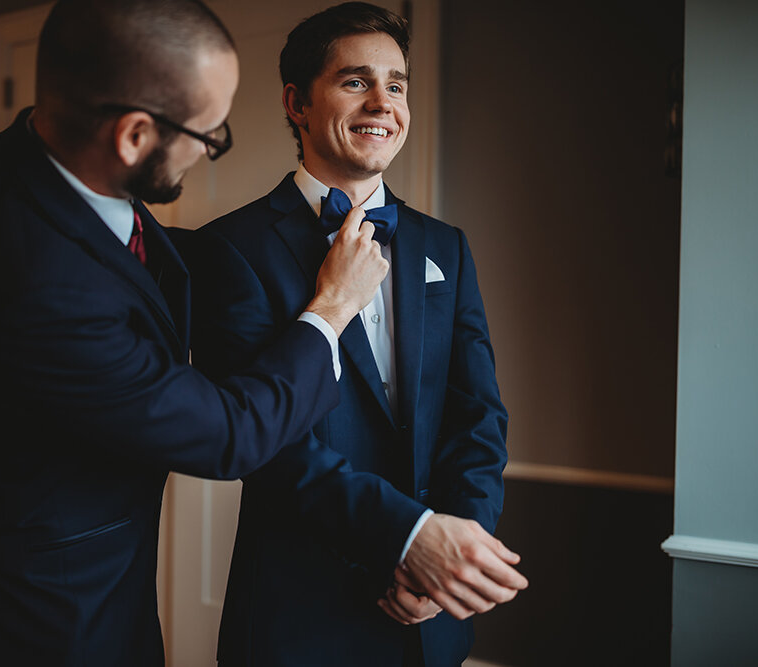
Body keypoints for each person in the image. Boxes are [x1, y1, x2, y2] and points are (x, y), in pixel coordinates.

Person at [0, 0, 390, 664]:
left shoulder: (36, 155)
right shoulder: (40, 286)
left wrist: (266, 246)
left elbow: (132, 255)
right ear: (134, 135)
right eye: (209, 134)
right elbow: (230, 435)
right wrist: (332, 307)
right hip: (51, 619)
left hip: (86, 573)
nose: (211, 150)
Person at [183, 3, 527, 665]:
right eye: (354, 81)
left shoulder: (444, 248)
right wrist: (406, 540)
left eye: (396, 84)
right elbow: (268, 443)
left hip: (432, 619)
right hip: (301, 612)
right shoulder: (231, 249)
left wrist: (450, 551)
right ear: (296, 102)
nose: (382, 102)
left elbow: (479, 414)